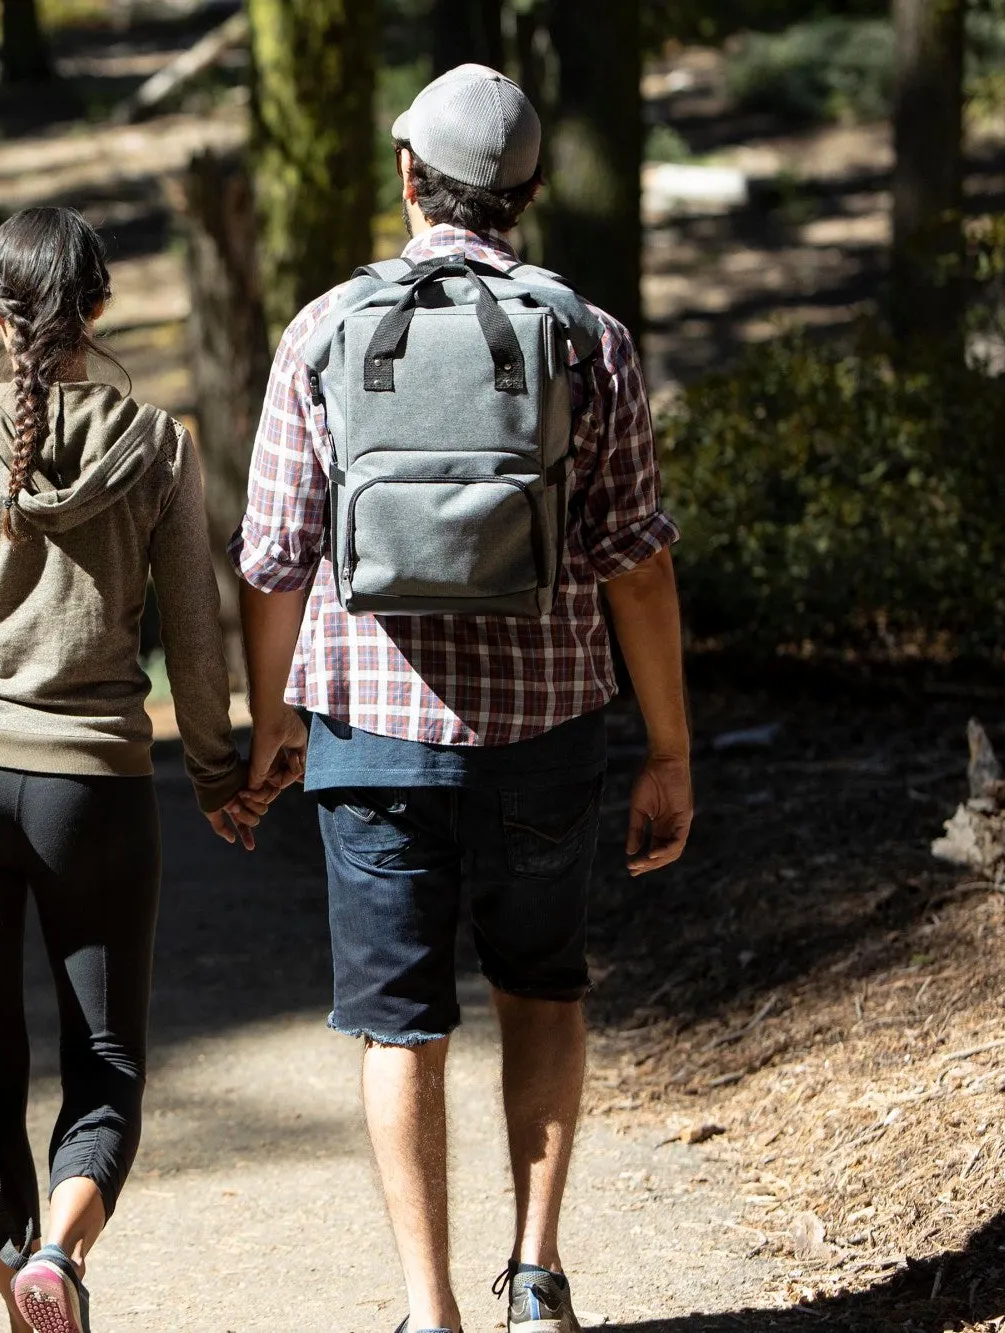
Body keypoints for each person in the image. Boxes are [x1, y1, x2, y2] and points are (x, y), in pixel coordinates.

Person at [232, 66, 694, 1333]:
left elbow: (272, 556)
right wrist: (669, 748)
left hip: (371, 734)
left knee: (398, 1027)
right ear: (528, 195)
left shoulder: (322, 329)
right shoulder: (586, 336)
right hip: (545, 728)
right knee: (541, 987)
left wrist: (269, 722)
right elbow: (636, 563)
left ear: (404, 175)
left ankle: (428, 1307)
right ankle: (536, 1275)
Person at [0, 206, 265, 1333]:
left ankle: (22, 1288)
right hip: (97, 792)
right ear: (99, 307)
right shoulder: (160, 447)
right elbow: (193, 632)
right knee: (105, 1060)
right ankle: (62, 1259)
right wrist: (217, 775)